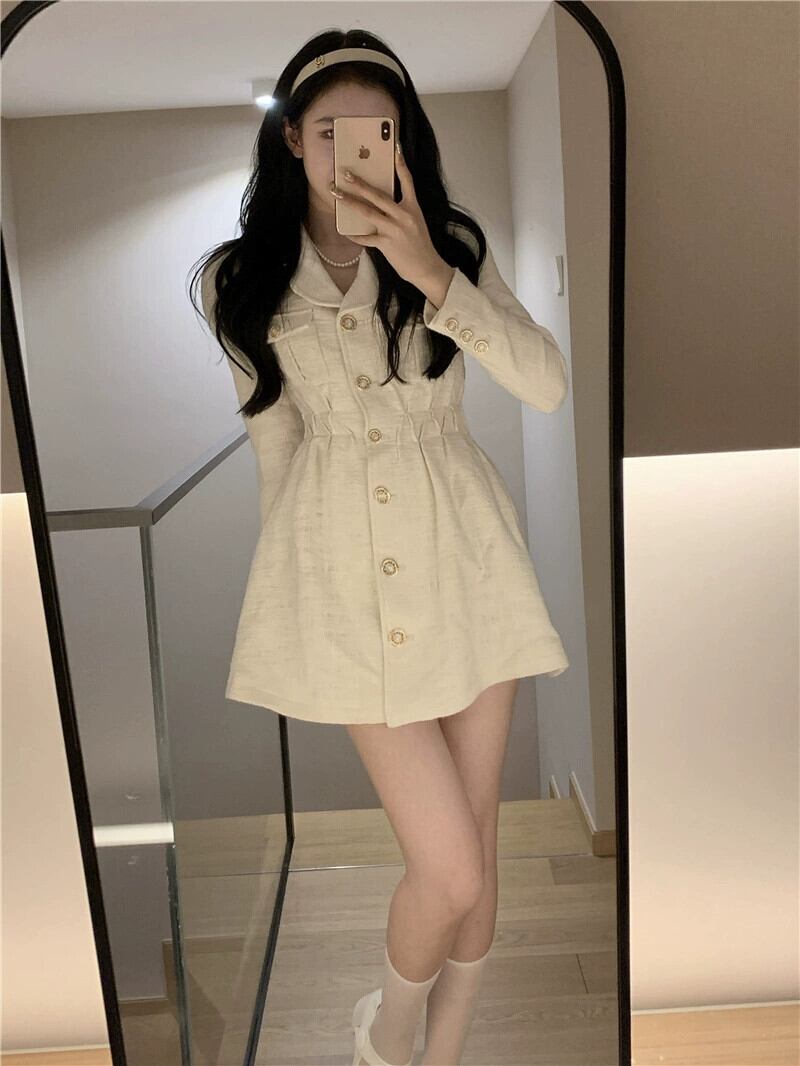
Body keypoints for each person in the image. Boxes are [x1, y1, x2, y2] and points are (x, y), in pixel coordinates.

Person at [193, 28, 570, 1066]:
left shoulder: (450, 246)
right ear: (291, 140)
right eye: (327, 129)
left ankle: (440, 1054)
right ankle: (385, 1041)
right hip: (344, 582)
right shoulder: (242, 279)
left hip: (468, 562)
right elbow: (276, 449)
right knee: (447, 867)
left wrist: (432, 275)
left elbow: (544, 384)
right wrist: (295, 608)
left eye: (375, 129)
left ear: (402, 139)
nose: (349, 149)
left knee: (477, 853)